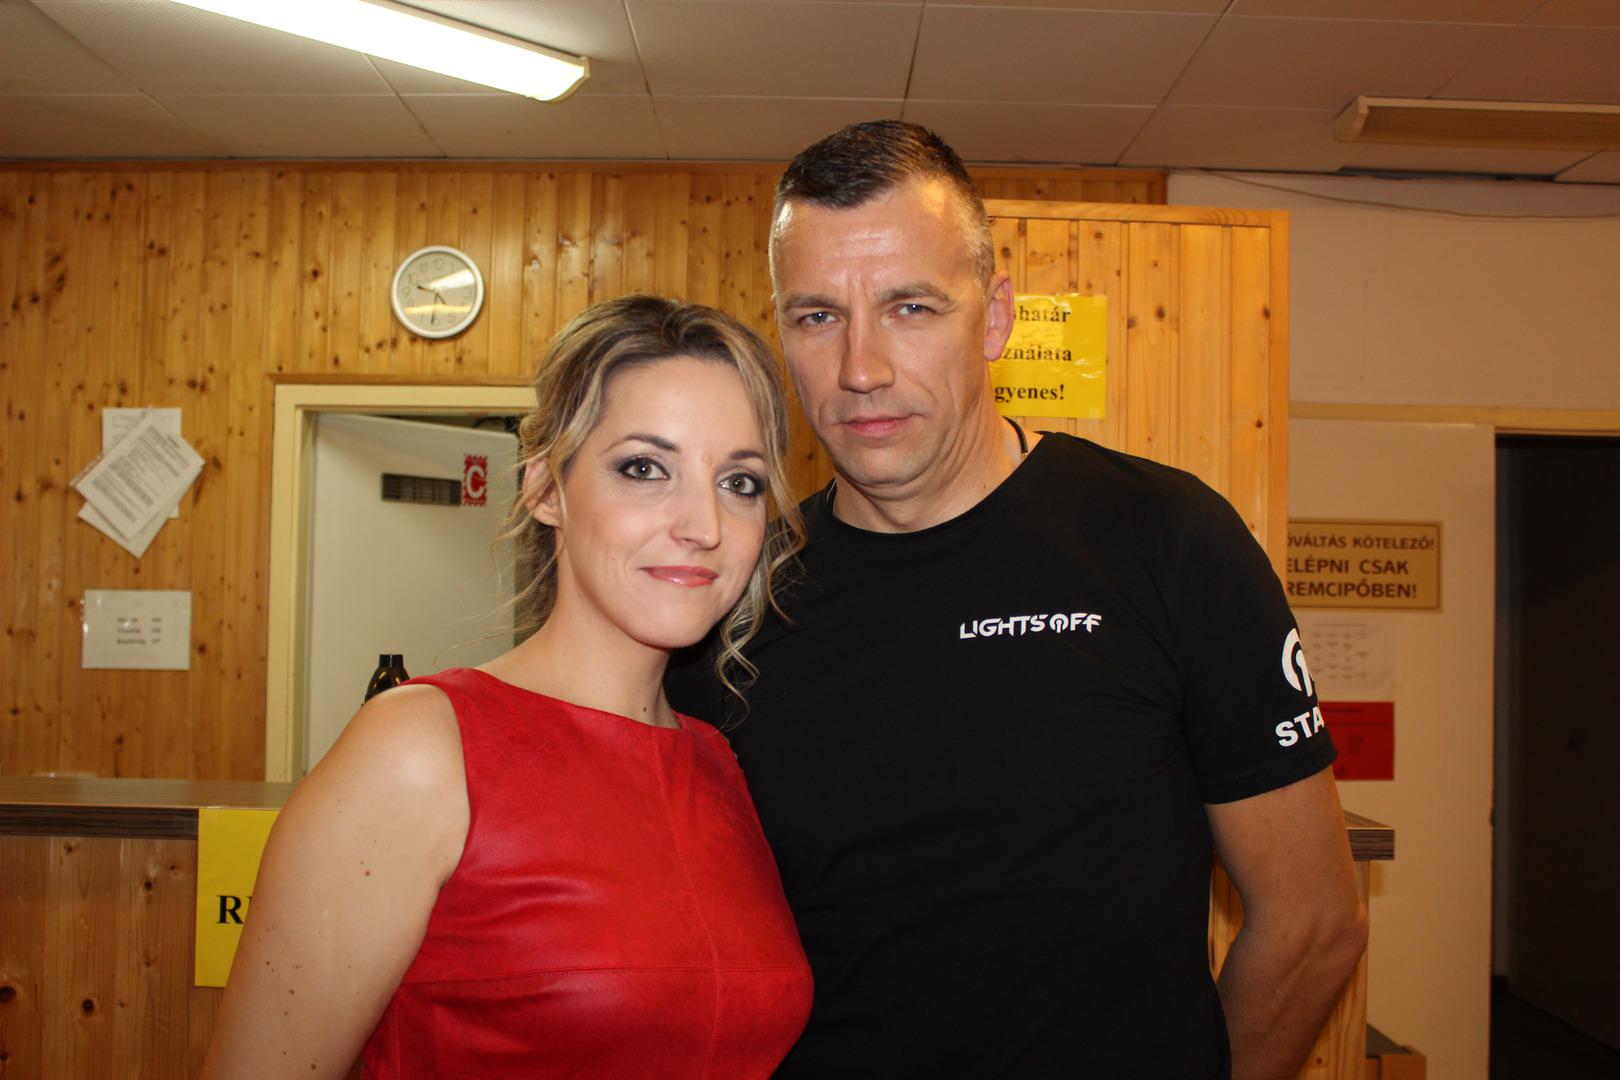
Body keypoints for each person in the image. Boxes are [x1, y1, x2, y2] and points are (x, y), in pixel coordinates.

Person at [667, 120, 1368, 1079]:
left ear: (994, 318)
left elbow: (1315, 920)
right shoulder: (737, 596)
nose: (862, 368)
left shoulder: (1167, 540)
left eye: (911, 307)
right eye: (818, 316)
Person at [203, 296, 812, 1079]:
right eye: (644, 469)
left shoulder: (718, 763)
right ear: (546, 489)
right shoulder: (419, 751)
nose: (704, 525)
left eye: (740, 482)